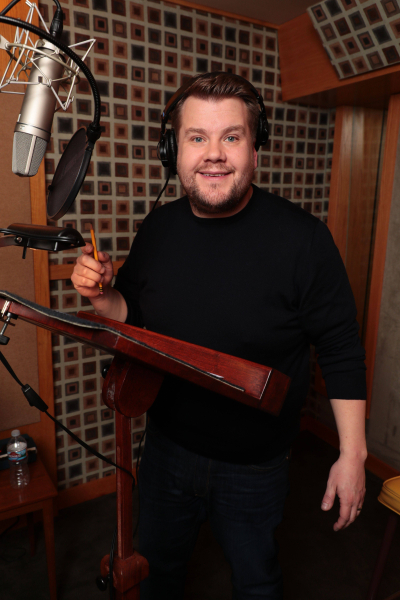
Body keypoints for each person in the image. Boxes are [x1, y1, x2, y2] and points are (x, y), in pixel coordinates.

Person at [71, 72, 367, 600]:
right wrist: (101, 297)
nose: (214, 154)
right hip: (166, 450)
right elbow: (131, 316)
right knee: (157, 575)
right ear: (174, 151)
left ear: (255, 148)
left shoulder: (304, 240)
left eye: (231, 136)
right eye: (197, 137)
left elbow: (341, 347)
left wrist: (353, 454)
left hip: (256, 464)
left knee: (257, 584)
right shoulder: (157, 229)